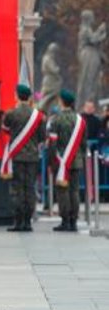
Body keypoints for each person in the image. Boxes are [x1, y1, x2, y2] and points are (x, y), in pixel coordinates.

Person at [0, 84, 46, 232]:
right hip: (32, 156)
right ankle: (28, 221)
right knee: (30, 188)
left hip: (17, 156)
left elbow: (5, 129)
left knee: (17, 189)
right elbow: (42, 137)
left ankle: (19, 221)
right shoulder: (38, 116)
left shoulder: (11, 114)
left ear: (17, 96)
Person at [48, 89, 87, 232]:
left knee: (62, 191)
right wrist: (80, 157)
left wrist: (52, 162)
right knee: (75, 191)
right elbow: (84, 143)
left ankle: (65, 221)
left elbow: (52, 143)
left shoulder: (55, 119)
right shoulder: (80, 120)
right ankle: (74, 220)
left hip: (60, 161)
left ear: (61, 102)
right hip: (76, 160)